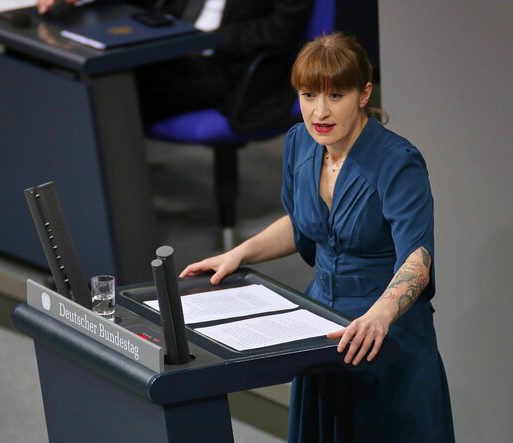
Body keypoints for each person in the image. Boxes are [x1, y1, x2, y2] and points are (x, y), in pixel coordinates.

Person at [180, 32, 455, 443]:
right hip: (320, 325)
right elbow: (303, 223)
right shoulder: (299, 143)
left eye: (335, 96)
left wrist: (379, 316)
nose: (319, 112)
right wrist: (237, 254)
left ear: (363, 94)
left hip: (384, 334)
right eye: (308, 96)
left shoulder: (399, 163)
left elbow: (417, 256)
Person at [37, 0, 313, 127]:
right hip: (170, 50)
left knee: (118, 90)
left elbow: (281, 29)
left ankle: (112, 201)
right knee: (92, 75)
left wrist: (205, 40)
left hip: (231, 67)